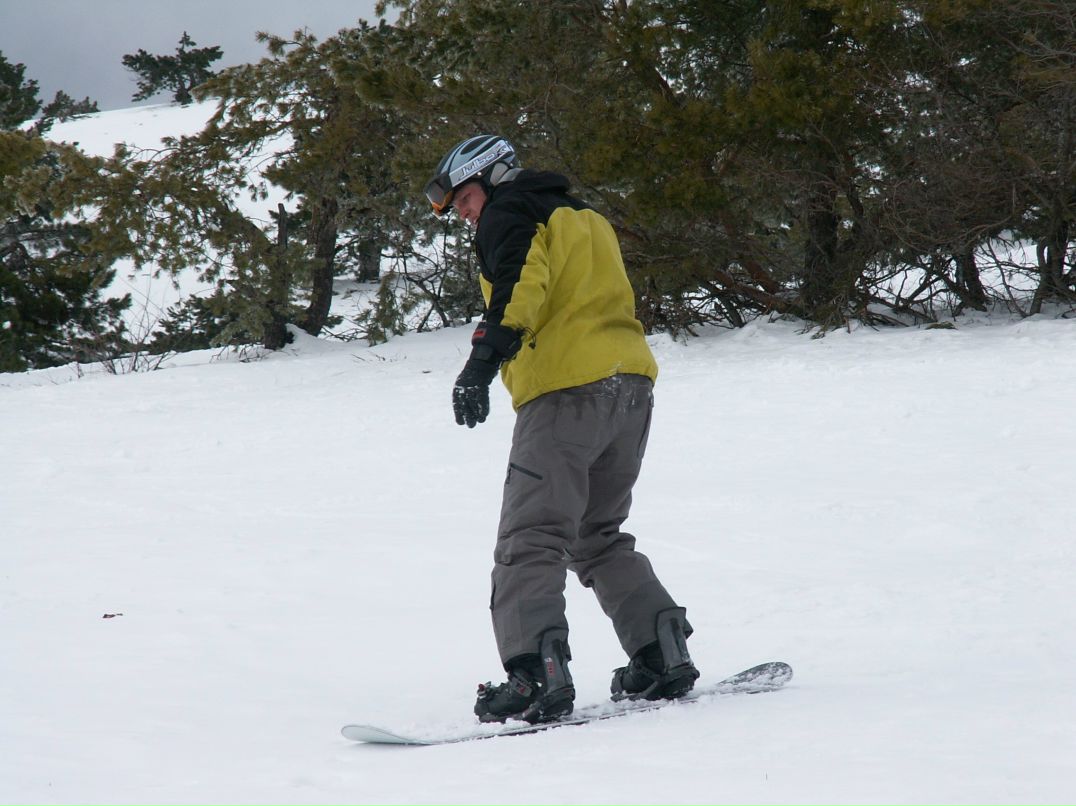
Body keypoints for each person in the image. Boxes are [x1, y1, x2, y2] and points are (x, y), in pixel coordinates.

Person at [424, 134, 699, 724]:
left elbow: (523, 285)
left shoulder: (511, 212)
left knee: (531, 537)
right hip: (629, 388)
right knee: (596, 534)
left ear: (491, 178)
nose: (466, 214)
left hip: (566, 395)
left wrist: (481, 364)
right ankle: (660, 650)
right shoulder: (586, 216)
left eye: (466, 198)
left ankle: (532, 676)